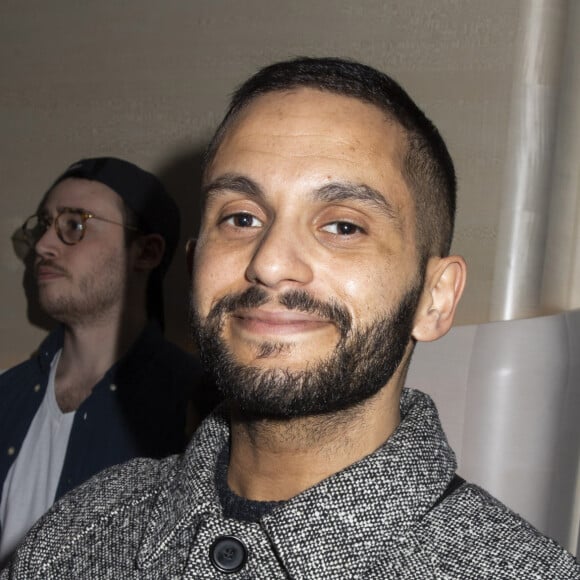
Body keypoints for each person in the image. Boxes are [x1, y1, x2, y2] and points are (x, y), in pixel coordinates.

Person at [2, 59, 579, 579]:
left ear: (434, 298)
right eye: (242, 218)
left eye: (343, 226)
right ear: (193, 263)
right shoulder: (76, 534)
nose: (270, 263)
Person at [0, 157, 212, 565]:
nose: (43, 245)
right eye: (44, 224)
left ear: (146, 251)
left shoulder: (199, 409)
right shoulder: (7, 396)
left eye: (74, 224)